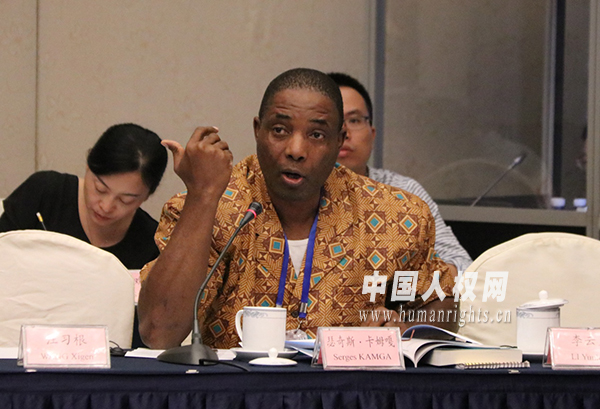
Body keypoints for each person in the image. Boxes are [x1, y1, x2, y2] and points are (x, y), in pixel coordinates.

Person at [138, 68, 457, 350]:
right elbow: (157, 333)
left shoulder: (397, 215)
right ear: (258, 130)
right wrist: (203, 197)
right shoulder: (208, 208)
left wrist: (406, 329)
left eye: (316, 134)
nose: (296, 150)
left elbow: (442, 301)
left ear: (339, 140)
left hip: (348, 389)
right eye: (280, 130)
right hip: (236, 389)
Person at [328, 72, 472, 276]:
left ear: (372, 134)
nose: (344, 132)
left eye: (354, 120)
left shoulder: (403, 192)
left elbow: (464, 267)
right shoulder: (294, 192)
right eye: (332, 120)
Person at [0, 123, 168, 270]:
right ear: (88, 165)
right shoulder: (44, 193)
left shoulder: (151, 242)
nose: (106, 206)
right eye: (100, 189)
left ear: (147, 195)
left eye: (126, 200)